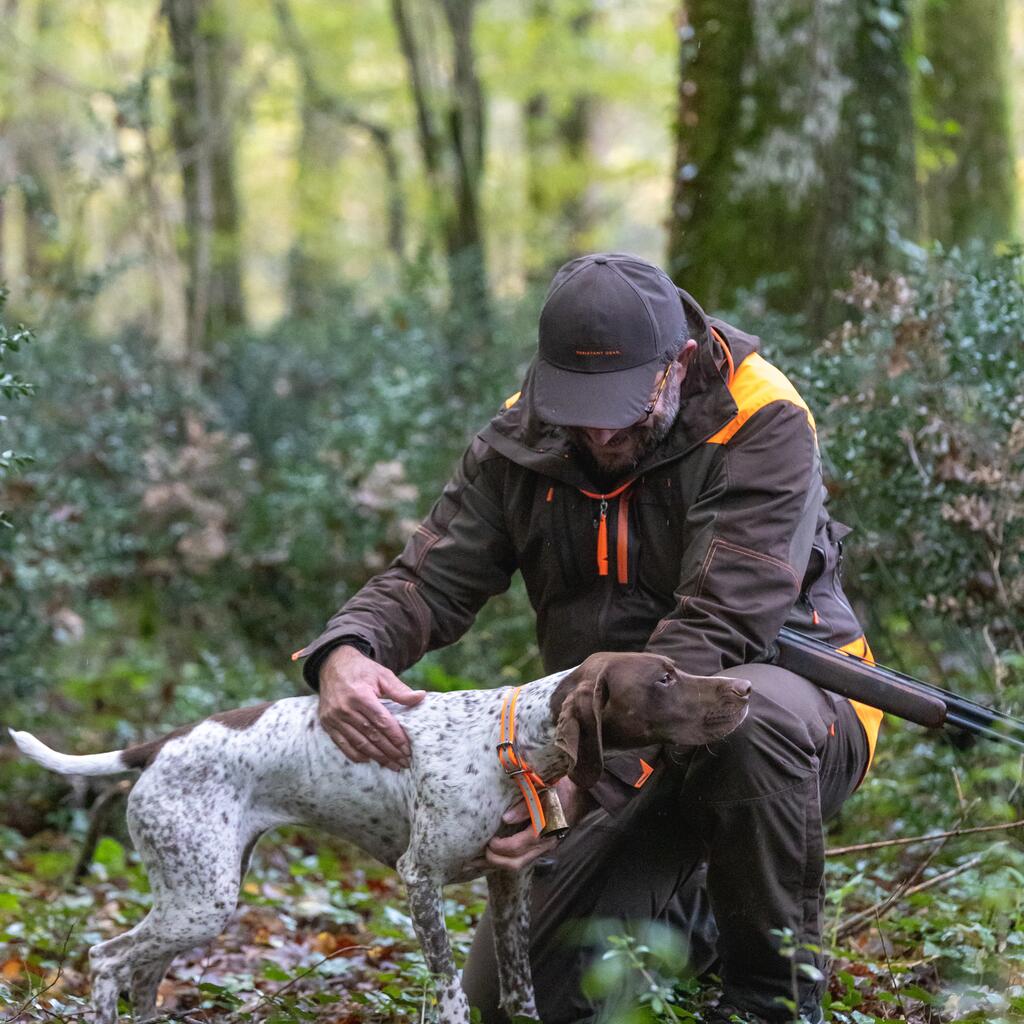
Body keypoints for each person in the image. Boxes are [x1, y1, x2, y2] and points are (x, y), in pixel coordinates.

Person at [292, 253, 883, 1023]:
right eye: (580, 404)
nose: (600, 428)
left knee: (751, 725)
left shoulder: (760, 416)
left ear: (678, 363)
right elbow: (431, 578)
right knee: (512, 1005)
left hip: (781, 707)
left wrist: (574, 779)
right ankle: (692, 909)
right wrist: (347, 649)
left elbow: (721, 623)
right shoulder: (522, 433)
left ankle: (768, 1001)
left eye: (624, 403)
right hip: (602, 739)